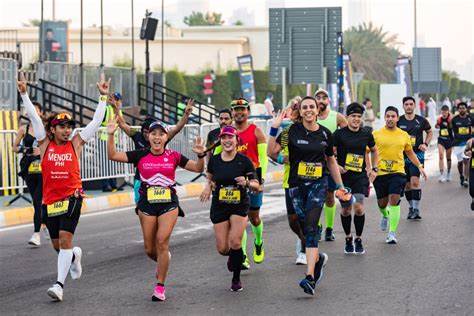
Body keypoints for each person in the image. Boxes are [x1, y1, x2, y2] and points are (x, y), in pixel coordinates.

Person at [17, 72, 110, 301]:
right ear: (53, 130)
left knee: (65, 239)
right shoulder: (44, 142)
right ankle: (75, 256)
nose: (67, 130)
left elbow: (96, 122)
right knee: (60, 246)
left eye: (69, 126)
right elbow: (35, 119)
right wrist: (24, 95)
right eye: (62, 127)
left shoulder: (76, 143)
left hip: (72, 197)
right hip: (50, 200)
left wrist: (103, 98)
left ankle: (59, 285)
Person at [107, 119, 205, 302]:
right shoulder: (140, 155)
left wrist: (200, 156)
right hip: (147, 205)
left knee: (161, 241)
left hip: (169, 203)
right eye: (154, 134)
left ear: (166, 137)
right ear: (148, 136)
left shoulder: (174, 156)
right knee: (150, 249)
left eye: (161, 134)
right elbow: (112, 155)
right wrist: (111, 134)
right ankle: (163, 260)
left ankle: (160, 286)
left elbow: (198, 168)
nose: (157, 137)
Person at [285, 96, 348, 295]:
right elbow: (272, 152)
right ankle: (318, 259)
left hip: (318, 185)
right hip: (296, 185)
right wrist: (273, 129)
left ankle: (310, 277)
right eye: (305, 107)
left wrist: (340, 186)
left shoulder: (325, 134)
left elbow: (330, 161)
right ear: (300, 111)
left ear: (317, 109)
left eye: (312, 106)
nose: (309, 110)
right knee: (301, 225)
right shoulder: (291, 131)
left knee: (311, 228)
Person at [200, 125, 259, 292]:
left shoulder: (244, 161)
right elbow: (210, 178)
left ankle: (236, 278)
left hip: (239, 204)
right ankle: (234, 257)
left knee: (235, 241)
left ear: (236, 140)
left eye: (230, 137)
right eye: (224, 138)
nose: (227, 141)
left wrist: (247, 183)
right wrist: (207, 187)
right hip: (220, 205)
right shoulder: (215, 160)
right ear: (221, 140)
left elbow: (257, 185)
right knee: (223, 249)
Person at [215, 98, 268, 269]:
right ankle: (242, 256)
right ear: (231, 113)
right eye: (236, 110)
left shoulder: (256, 131)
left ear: (248, 112)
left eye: (242, 109)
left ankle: (259, 241)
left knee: (254, 217)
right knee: (239, 220)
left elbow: (263, 158)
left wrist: (261, 180)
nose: (239, 112)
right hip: (232, 183)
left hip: (251, 180)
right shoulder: (226, 133)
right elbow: (216, 157)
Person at [116, 99, 195, 203]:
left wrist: (186, 114)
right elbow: (122, 124)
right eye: (145, 132)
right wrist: (115, 108)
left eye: (151, 132)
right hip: (141, 179)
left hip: (161, 180)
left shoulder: (161, 139)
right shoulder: (136, 136)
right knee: (140, 205)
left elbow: (177, 128)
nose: (148, 136)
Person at [373, 106, 427, 244]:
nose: (390, 119)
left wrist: (420, 166)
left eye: (393, 116)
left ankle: (392, 233)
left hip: (398, 172)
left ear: (397, 118)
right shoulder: (376, 134)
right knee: (382, 203)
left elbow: (410, 153)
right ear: (384, 117)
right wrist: (369, 168)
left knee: (394, 199)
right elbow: (368, 151)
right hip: (380, 173)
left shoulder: (403, 135)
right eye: (388, 116)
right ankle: (385, 215)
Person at [333, 103, 378, 254]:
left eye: (359, 117)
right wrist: (337, 166)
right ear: (347, 117)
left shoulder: (366, 133)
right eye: (353, 116)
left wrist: (374, 168)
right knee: (346, 210)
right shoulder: (339, 134)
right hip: (343, 178)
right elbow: (329, 153)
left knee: (358, 208)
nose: (356, 119)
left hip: (359, 177)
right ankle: (348, 238)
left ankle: (358, 238)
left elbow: (374, 150)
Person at [268, 97, 308, 265]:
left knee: (306, 218)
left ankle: (305, 250)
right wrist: (274, 128)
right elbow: (271, 153)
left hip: (311, 182)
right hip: (290, 181)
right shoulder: (286, 133)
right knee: (293, 220)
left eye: (299, 108)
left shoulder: (314, 130)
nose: (297, 111)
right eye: (294, 108)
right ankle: (304, 238)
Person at [314, 88, 347, 241]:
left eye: (324, 97)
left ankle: (329, 228)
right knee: (314, 197)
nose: (321, 100)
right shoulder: (310, 117)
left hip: (330, 163)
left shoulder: (337, 117)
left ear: (329, 101)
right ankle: (316, 225)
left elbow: (348, 139)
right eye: (318, 97)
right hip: (313, 163)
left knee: (329, 196)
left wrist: (340, 159)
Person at [13, 101, 48, 246]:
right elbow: (14, 147)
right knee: (36, 201)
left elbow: (53, 146)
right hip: (29, 168)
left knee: (39, 199)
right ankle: (45, 223)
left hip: (43, 169)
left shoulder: (47, 129)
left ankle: (36, 234)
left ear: (40, 113)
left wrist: (42, 151)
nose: (33, 112)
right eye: (30, 109)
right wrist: (26, 150)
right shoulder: (23, 129)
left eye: (36, 110)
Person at [397, 96, 432, 220]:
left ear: (414, 105)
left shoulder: (421, 120)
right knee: (406, 185)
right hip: (402, 156)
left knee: (415, 181)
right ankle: (411, 207)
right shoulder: (399, 121)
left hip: (417, 154)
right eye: (406, 104)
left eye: (411, 104)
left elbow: (430, 132)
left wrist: (425, 144)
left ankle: (416, 209)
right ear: (403, 106)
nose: (409, 106)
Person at [99, 92, 124, 192]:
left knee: (113, 163)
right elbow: (99, 121)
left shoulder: (119, 111)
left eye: (118, 99)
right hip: (104, 139)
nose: (116, 101)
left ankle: (114, 185)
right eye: (114, 99)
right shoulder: (106, 109)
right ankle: (105, 185)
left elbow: (122, 122)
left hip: (115, 140)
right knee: (105, 163)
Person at [451, 102, 472, 187]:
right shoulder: (454, 120)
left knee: (466, 160)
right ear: (458, 109)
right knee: (460, 162)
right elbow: (451, 131)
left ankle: (466, 179)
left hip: (468, 142)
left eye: (463, 108)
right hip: (458, 143)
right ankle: (461, 176)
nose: (462, 109)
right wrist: (453, 141)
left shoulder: (471, 118)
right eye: (460, 108)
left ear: (466, 109)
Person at [435, 105, 454, 182]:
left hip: (449, 140)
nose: (444, 114)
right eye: (442, 112)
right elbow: (436, 126)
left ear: (448, 111)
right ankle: (441, 174)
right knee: (441, 156)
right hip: (441, 139)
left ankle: (448, 173)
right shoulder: (439, 119)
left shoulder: (451, 119)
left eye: (445, 112)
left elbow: (455, 129)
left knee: (448, 158)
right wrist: (437, 125)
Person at [463, 138, 474, 210]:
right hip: (473, 167)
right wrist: (467, 153)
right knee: (472, 188)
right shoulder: (471, 141)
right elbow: (465, 152)